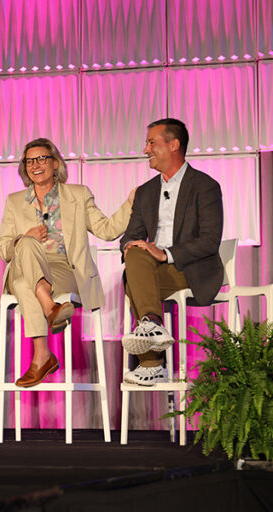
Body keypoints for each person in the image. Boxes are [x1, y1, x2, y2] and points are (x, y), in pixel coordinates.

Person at [0, 138, 135, 387]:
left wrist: (130, 204)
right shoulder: (14, 201)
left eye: (41, 159)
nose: (35, 165)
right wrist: (24, 237)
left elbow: (106, 230)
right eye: (29, 161)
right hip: (25, 261)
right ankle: (51, 308)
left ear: (55, 163)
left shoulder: (78, 195)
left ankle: (43, 355)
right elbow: (4, 249)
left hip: (62, 267)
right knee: (26, 246)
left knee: (24, 283)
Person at [120, 118, 223, 386]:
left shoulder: (205, 186)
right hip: (152, 271)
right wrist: (135, 246)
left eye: (151, 142)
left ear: (173, 145)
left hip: (190, 270)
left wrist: (165, 253)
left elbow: (210, 241)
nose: (145, 149)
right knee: (134, 252)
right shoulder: (145, 192)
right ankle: (153, 324)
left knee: (135, 279)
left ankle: (152, 361)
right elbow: (130, 236)